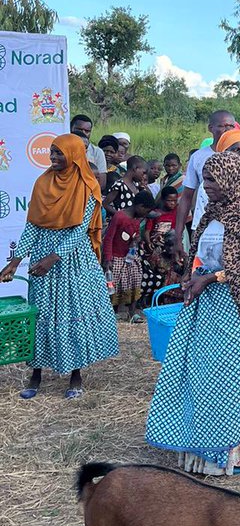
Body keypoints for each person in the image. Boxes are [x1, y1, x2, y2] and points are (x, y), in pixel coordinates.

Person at [146, 153, 240, 476]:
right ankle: (203, 452)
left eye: (212, 181)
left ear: (232, 179)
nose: (206, 187)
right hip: (206, 306)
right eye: (205, 180)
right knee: (202, 375)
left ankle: (232, 454)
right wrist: (192, 275)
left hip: (237, 307)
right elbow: (201, 253)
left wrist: (214, 278)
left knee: (232, 378)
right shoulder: (212, 212)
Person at [0, 134, 119, 399]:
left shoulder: (88, 185)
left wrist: (52, 258)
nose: (53, 158)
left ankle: (76, 375)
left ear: (74, 154)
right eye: (52, 153)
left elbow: (80, 231)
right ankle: (36, 374)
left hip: (73, 260)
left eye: (59, 153)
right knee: (40, 315)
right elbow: (33, 225)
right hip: (43, 255)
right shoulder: (43, 183)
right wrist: (16, 260)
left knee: (73, 313)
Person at [173, 109, 237, 248]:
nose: (227, 130)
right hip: (205, 227)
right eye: (222, 126)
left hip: (235, 227)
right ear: (210, 128)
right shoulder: (198, 157)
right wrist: (178, 236)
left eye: (230, 126)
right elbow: (186, 198)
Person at [102, 190, 155, 320]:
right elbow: (108, 238)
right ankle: (112, 311)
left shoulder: (137, 219)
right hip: (116, 256)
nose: (146, 215)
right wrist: (107, 259)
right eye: (146, 211)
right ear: (140, 206)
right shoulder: (120, 217)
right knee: (113, 284)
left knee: (135, 280)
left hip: (130, 257)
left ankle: (132, 312)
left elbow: (135, 235)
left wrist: (136, 240)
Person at [140, 185, 181, 300]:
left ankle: (169, 294)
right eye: (169, 200)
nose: (172, 203)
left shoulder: (177, 212)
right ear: (163, 200)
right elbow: (147, 231)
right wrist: (149, 243)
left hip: (170, 243)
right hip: (156, 244)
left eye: (174, 201)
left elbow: (176, 230)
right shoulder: (155, 213)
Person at [71, 114, 108, 192]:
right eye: (79, 130)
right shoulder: (60, 150)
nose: (83, 133)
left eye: (87, 131)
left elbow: (101, 183)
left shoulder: (97, 152)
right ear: (71, 129)